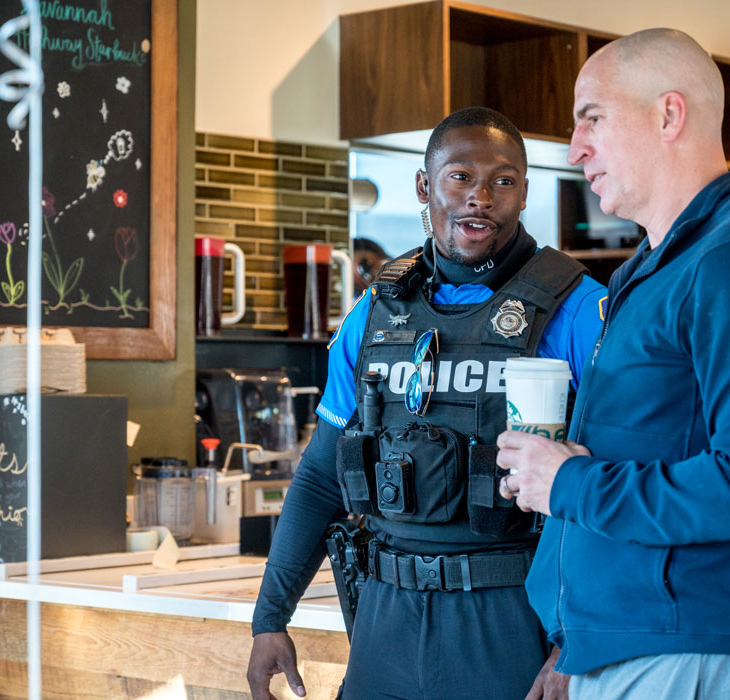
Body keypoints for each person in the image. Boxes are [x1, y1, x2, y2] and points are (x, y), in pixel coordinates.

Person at [497, 29, 730, 700]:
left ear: (669, 115)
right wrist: (578, 642)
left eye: (591, 118)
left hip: (703, 656)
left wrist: (569, 485)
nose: (574, 149)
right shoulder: (661, 269)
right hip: (638, 654)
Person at [246, 106, 608, 700]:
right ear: (424, 184)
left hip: (513, 620)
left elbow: (611, 480)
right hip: (383, 620)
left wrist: (578, 642)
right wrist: (269, 616)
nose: (481, 197)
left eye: (503, 180)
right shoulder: (373, 314)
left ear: (523, 192)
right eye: (460, 176)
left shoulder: (576, 311)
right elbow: (320, 477)